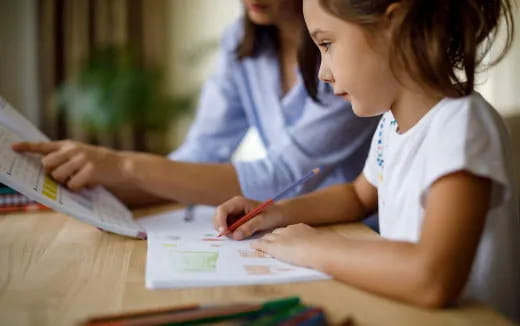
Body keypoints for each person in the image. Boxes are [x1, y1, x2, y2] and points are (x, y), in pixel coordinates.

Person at [213, 0, 519, 321]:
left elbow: (432, 278)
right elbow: (357, 196)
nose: (322, 72)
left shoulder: (461, 125)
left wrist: (313, 248)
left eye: (327, 44)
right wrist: (272, 212)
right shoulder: (391, 125)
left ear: (394, 27)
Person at [12, 0, 378, 211]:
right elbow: (201, 152)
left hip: (350, 231)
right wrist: (86, 195)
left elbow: (286, 177)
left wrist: (124, 165)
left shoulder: (352, 59)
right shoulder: (241, 43)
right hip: (280, 228)